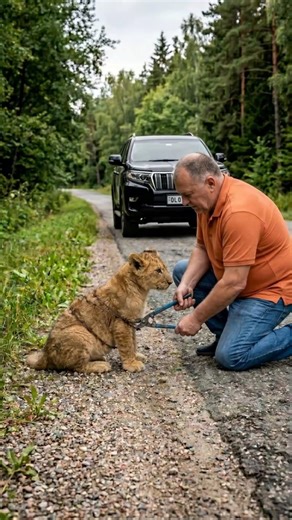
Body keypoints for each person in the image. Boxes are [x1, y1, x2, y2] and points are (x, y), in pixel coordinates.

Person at [172, 153, 292, 371]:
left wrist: (195, 318)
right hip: (240, 284)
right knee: (182, 271)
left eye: (187, 195)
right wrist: (186, 284)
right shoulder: (206, 203)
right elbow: (202, 248)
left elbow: (234, 283)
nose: (184, 202)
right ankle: (225, 334)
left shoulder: (239, 211)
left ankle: (235, 341)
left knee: (231, 356)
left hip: (269, 291)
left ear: (210, 183)